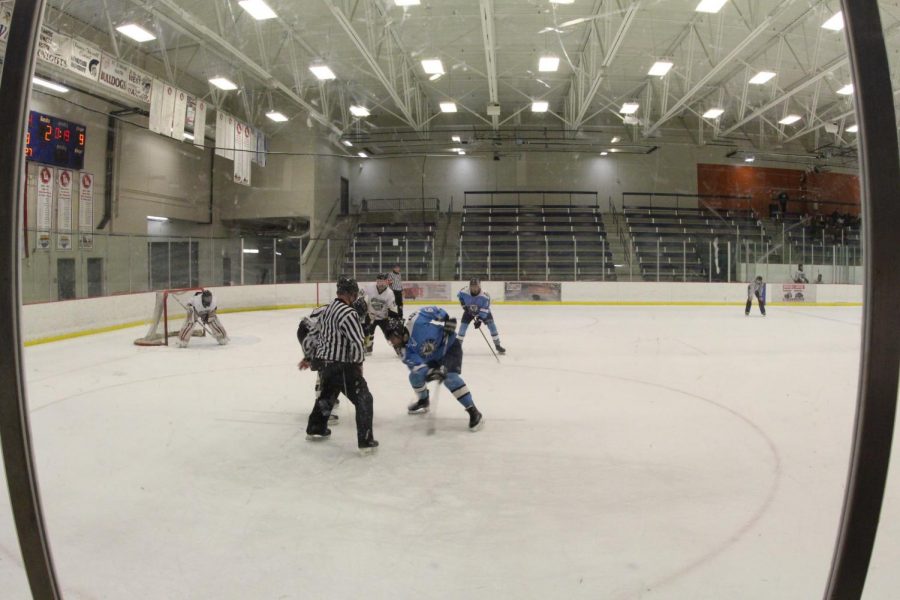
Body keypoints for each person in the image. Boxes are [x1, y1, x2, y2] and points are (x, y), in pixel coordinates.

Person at [305, 276, 378, 454]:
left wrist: (309, 356)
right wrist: (358, 366)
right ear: (352, 294)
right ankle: (366, 441)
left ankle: (316, 429)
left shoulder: (328, 309)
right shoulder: (349, 313)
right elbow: (356, 342)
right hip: (344, 366)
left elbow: (313, 333)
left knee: (327, 396)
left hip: (326, 365)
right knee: (364, 399)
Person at [385, 308, 483, 432]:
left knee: (450, 378)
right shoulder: (402, 351)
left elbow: (434, 311)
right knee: (414, 377)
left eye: (393, 338)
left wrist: (447, 319)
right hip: (432, 359)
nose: (392, 342)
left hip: (450, 348)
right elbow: (417, 367)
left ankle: (473, 411)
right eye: (389, 340)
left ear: (399, 332)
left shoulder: (416, 321)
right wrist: (429, 373)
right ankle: (423, 400)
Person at [297, 305, 340, 426]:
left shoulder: (337, 307)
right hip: (309, 333)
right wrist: (308, 356)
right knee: (324, 368)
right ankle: (323, 411)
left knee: (325, 365)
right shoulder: (340, 312)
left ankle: (325, 401)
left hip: (308, 330)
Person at [354, 273, 401, 356]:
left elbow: (393, 308)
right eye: (379, 282)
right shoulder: (370, 287)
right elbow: (359, 294)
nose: (381, 284)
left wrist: (394, 318)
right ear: (376, 281)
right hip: (370, 316)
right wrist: (360, 300)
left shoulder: (389, 293)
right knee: (367, 333)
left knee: (390, 334)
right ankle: (367, 348)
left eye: (383, 282)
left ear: (387, 282)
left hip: (384, 318)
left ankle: (398, 348)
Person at [457, 278, 505, 355]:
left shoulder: (485, 296)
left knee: (492, 327)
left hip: (483, 311)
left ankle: (497, 345)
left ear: (479, 286)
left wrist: (479, 320)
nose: (474, 288)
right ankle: (457, 347)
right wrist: (464, 305)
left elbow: (485, 310)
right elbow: (460, 296)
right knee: (462, 328)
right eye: (472, 286)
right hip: (468, 311)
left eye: (476, 286)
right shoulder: (464, 291)